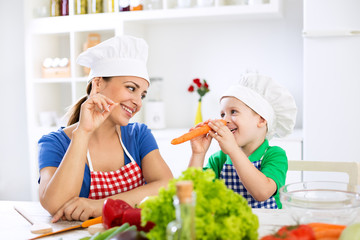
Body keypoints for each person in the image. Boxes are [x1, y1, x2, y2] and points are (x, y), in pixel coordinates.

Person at [37, 35, 173, 222]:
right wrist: (83, 133)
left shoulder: (138, 135)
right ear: (98, 83)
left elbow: (166, 187)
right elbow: (55, 205)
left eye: (142, 95)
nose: (138, 103)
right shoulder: (54, 143)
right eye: (131, 88)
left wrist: (99, 205)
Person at [188, 73, 297, 209]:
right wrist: (198, 153)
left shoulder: (274, 155)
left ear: (261, 119)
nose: (224, 120)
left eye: (233, 111)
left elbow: (262, 193)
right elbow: (190, 193)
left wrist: (233, 150)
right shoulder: (219, 159)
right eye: (222, 114)